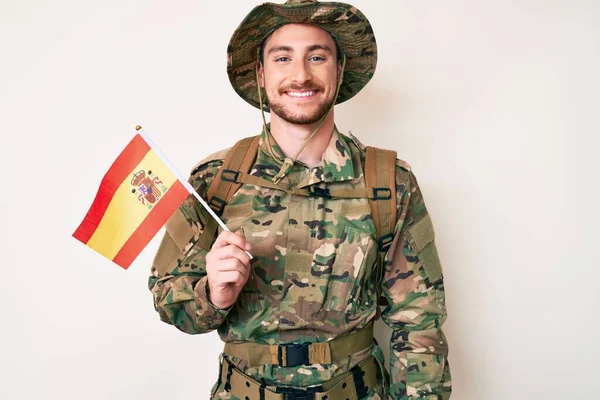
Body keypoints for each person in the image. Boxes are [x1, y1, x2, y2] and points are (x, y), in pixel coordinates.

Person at [148, 1, 452, 398]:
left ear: (339, 70)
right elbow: (170, 300)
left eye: (317, 56)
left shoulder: (389, 182)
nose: (301, 74)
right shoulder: (216, 180)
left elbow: (419, 322)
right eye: (283, 57)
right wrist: (213, 294)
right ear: (261, 73)